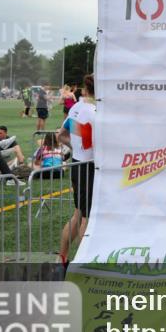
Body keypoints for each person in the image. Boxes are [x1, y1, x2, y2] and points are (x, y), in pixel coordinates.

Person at [57, 74, 95, 266]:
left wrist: (77, 149)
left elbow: (61, 135)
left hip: (77, 164)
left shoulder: (76, 108)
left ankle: (61, 257)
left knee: (79, 213)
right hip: (91, 167)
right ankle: (82, 264)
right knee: (87, 217)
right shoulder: (97, 111)